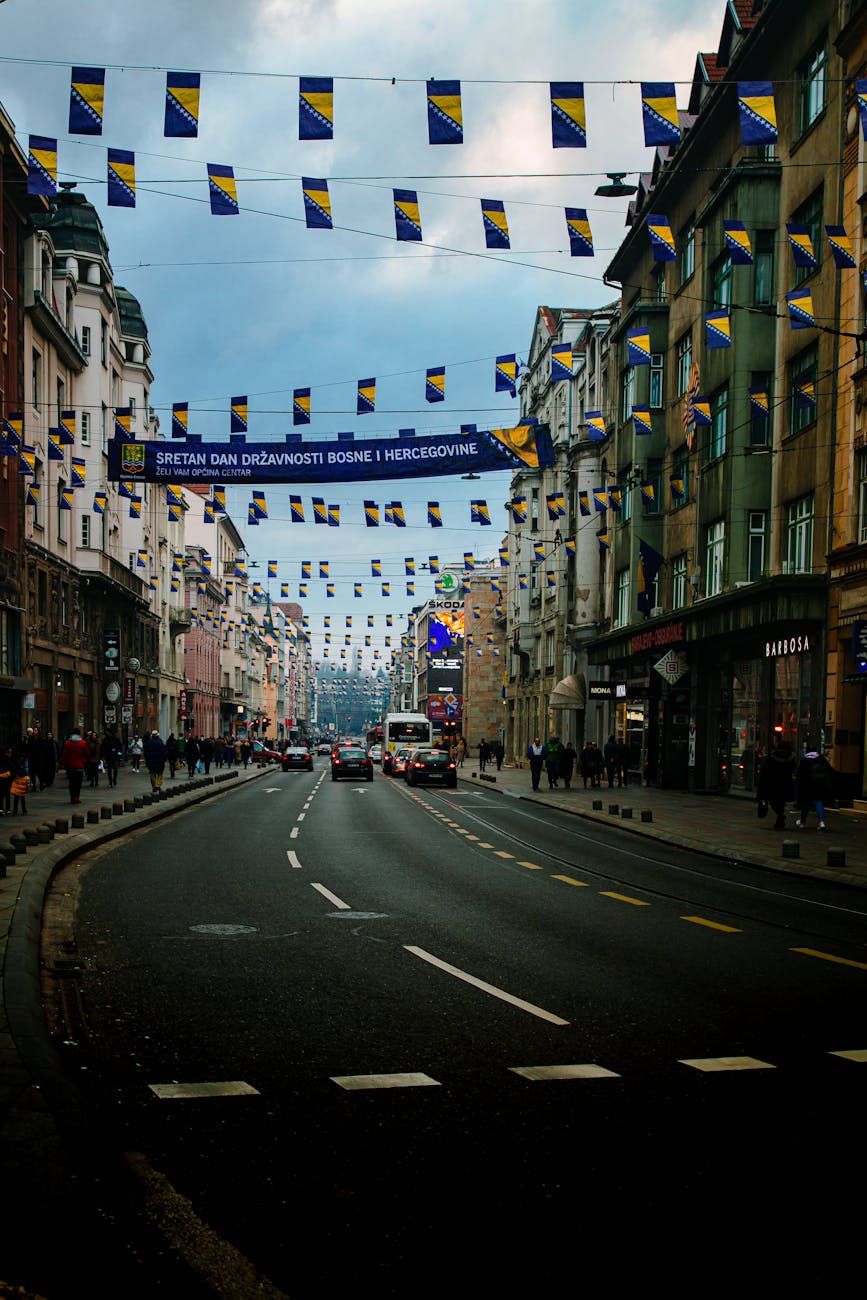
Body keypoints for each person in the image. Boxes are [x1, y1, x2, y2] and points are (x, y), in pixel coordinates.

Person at [757, 741, 796, 830]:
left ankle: (780, 817)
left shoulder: (772, 757)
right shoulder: (791, 757)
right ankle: (780, 819)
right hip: (785, 783)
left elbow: (766, 771)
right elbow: (793, 769)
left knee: (773, 802)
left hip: (773, 783)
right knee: (781, 802)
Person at [795, 747, 835, 830]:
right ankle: (821, 822)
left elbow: (799, 775)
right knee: (818, 801)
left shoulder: (804, 761)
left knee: (805, 803)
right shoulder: (821, 760)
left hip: (807, 786)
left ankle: (802, 822)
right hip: (819, 786)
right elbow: (830, 771)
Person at [60, 728, 89, 804]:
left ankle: (72, 797)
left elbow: (64, 755)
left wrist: (64, 764)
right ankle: (77, 797)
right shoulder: (83, 743)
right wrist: (86, 761)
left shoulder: (67, 743)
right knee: (78, 783)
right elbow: (87, 754)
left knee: (71, 782)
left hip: (70, 766)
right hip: (79, 766)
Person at [0, 745, 12, 815]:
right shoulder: (8, 760)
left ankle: (1, 809)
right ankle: (7, 809)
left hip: (2, 779)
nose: (10, 754)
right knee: (7, 795)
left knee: (1, 795)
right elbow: (11, 770)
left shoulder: (4, 759)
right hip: (6, 779)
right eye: (9, 752)